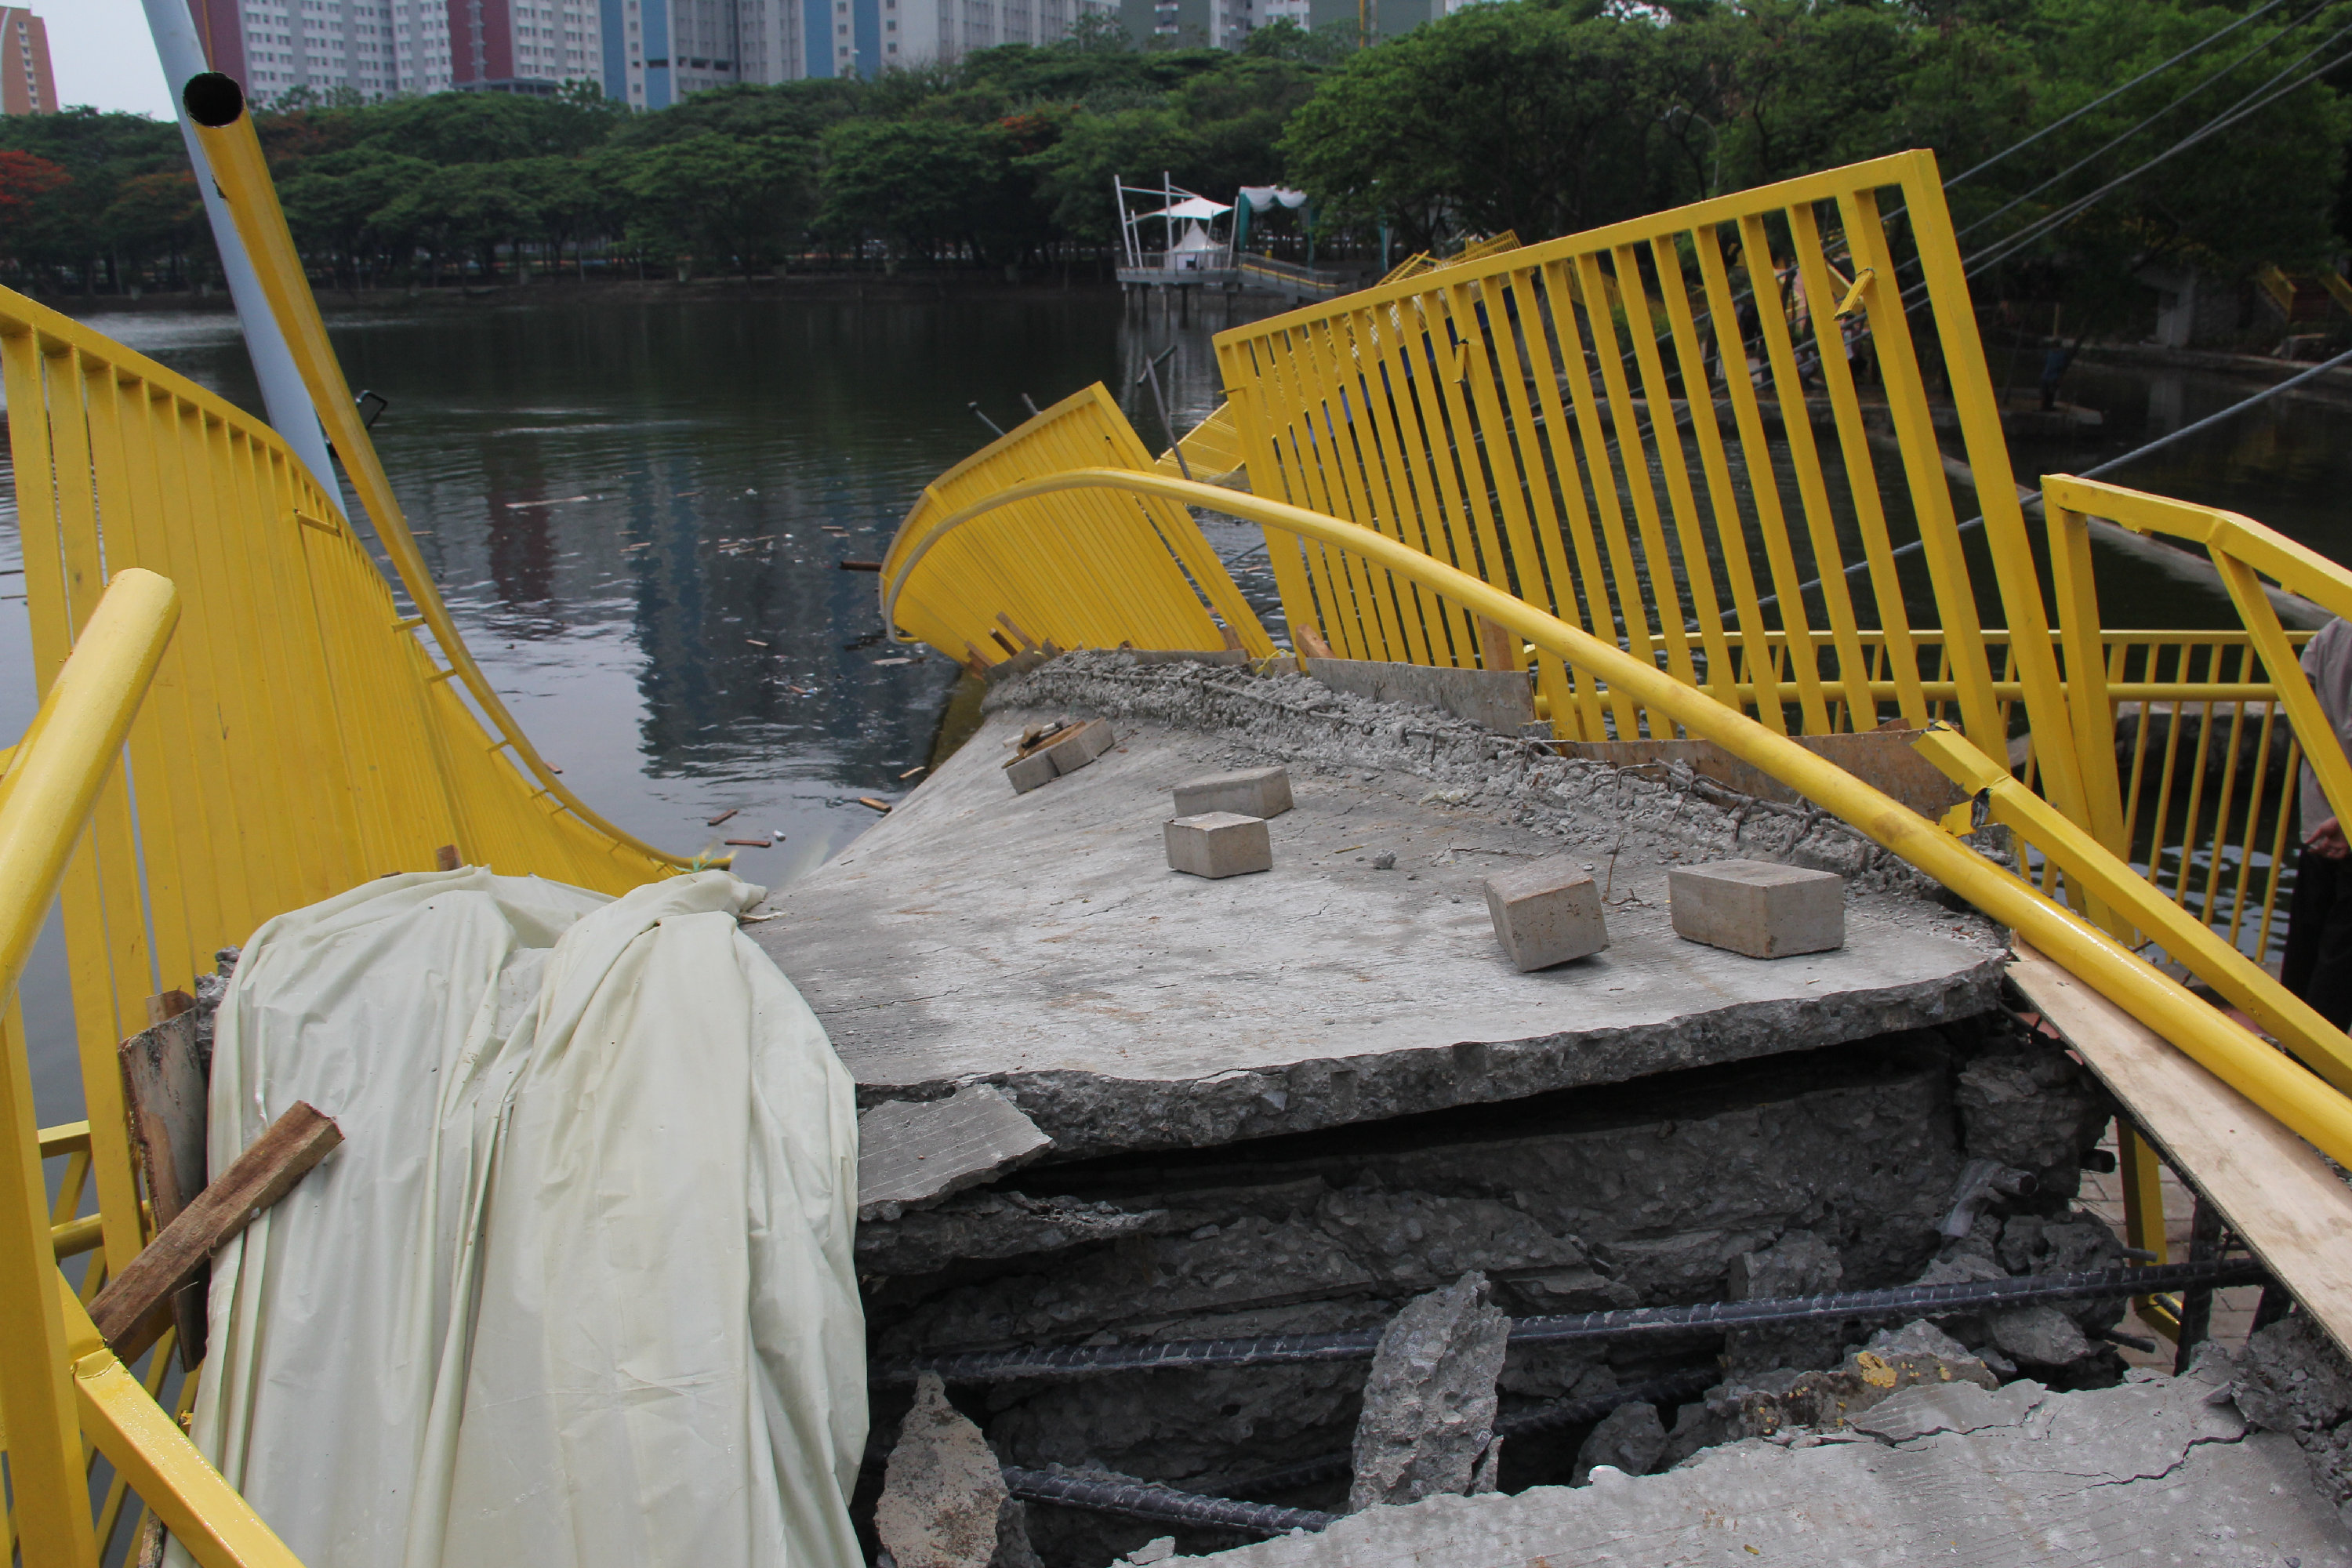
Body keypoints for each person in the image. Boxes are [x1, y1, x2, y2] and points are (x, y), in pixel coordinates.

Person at [2283, 615, 2352, 1026]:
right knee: (2342, 957)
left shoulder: (2336, 628)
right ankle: (2315, 1067)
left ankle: (2290, 1044)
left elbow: (2298, 705)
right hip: (2341, 818)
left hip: (2320, 807)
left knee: (2308, 935)